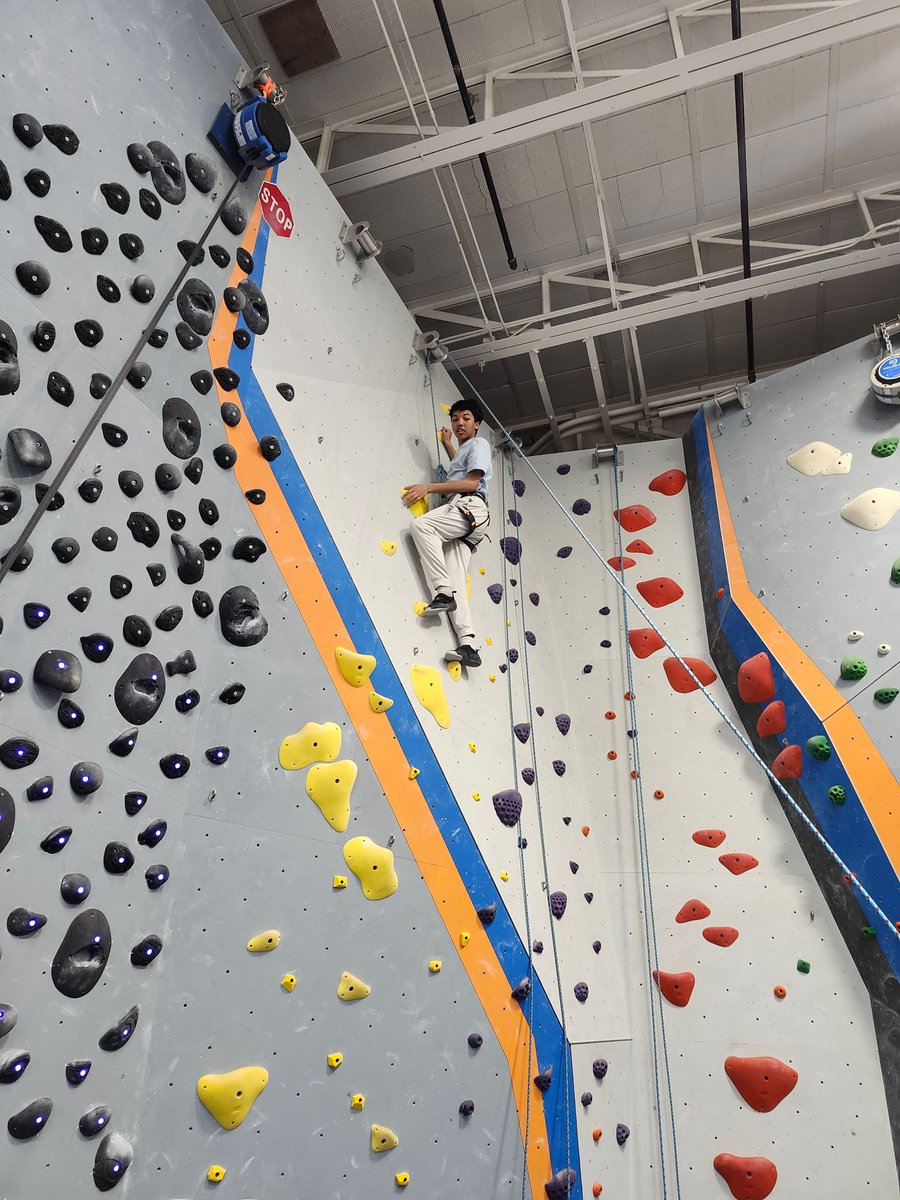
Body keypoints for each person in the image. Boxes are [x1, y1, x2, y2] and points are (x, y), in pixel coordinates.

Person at [403, 398, 492, 669]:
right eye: (455, 419)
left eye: (466, 418)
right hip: (470, 520)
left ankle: (442, 591)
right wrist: (447, 444)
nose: (459, 423)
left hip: (470, 506)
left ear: (477, 424)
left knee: (422, 526)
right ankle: (469, 644)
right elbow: (461, 472)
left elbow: (471, 483)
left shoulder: (479, 444)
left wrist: (428, 488)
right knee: (457, 583)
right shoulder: (467, 449)